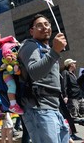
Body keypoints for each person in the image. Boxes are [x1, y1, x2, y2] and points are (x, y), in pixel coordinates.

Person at [18, 14, 69, 143]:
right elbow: (34, 72)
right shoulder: (29, 45)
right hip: (39, 109)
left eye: (47, 24)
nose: (44, 27)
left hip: (54, 108)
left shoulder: (47, 49)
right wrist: (55, 51)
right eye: (39, 25)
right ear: (31, 31)